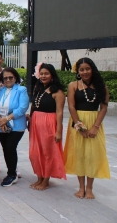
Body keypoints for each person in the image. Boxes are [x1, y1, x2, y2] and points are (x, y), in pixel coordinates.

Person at [63, 57, 110, 199]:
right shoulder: (73, 85)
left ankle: (89, 188)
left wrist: (95, 127)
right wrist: (79, 126)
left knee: (92, 155)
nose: (85, 72)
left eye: (87, 69)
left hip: (95, 122)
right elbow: (71, 106)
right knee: (79, 155)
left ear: (92, 69)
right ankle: (81, 187)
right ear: (77, 71)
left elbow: (104, 107)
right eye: (81, 69)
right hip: (78, 122)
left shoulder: (101, 85)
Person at [29, 63, 66, 191]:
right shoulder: (38, 88)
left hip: (49, 123)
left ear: (52, 75)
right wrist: (30, 121)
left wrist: (59, 131)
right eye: (42, 73)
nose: (43, 76)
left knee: (47, 152)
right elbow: (33, 106)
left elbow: (60, 112)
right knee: (35, 152)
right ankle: (39, 177)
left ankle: (45, 180)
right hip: (35, 123)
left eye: (46, 73)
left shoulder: (58, 92)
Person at [0, 67, 28, 187]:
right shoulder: (0, 90)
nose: (8, 80)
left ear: (15, 77)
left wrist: (6, 119)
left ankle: (12, 174)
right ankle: (11, 171)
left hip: (16, 125)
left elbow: (22, 108)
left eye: (10, 77)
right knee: (6, 149)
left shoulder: (21, 90)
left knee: (10, 147)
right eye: (5, 78)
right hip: (1, 125)